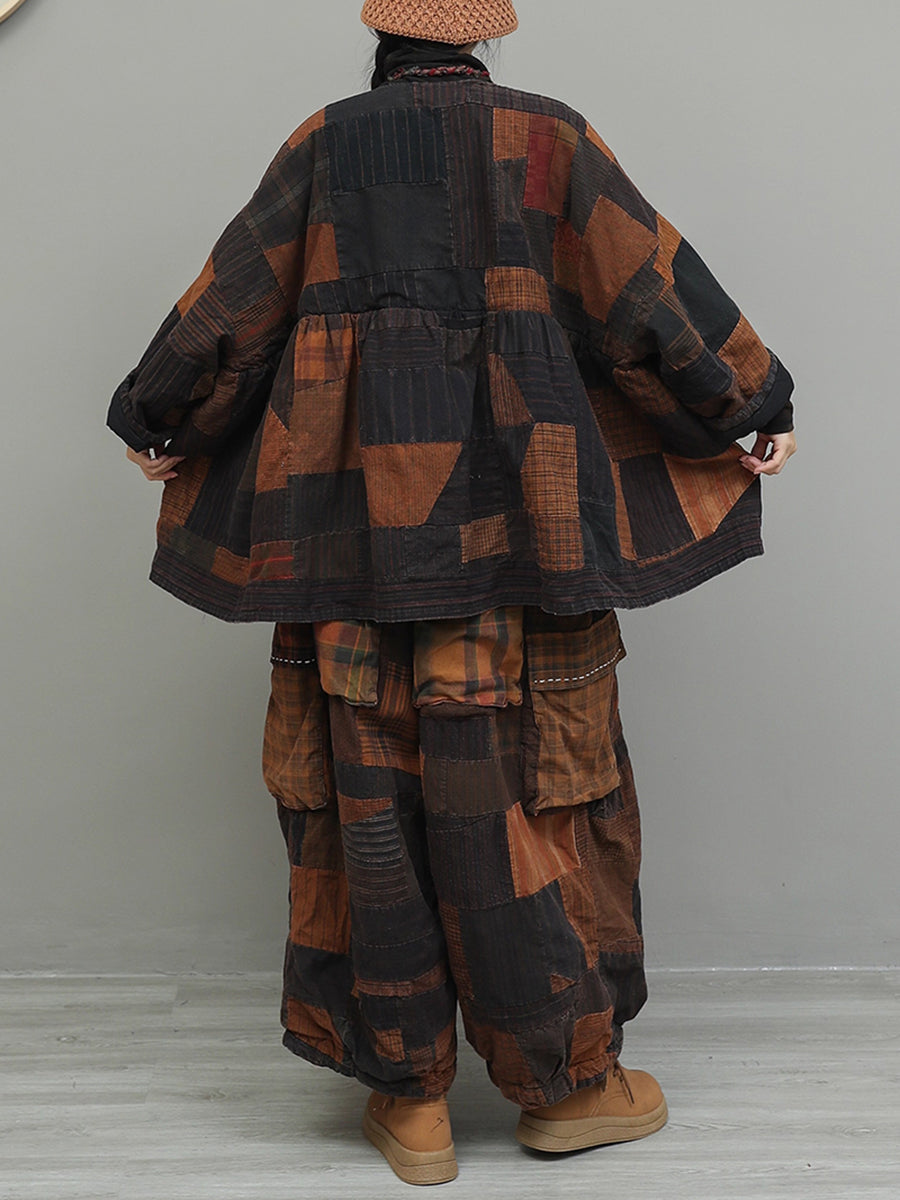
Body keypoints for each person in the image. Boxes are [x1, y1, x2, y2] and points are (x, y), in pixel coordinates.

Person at [108, 0, 796, 1186]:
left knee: (367, 811)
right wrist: (749, 406)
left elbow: (229, 308)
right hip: (527, 553)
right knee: (536, 802)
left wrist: (159, 420)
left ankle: (411, 1102)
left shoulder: (325, 144)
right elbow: (650, 298)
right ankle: (571, 1088)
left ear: (384, 33)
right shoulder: (550, 140)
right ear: (485, 37)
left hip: (356, 561)